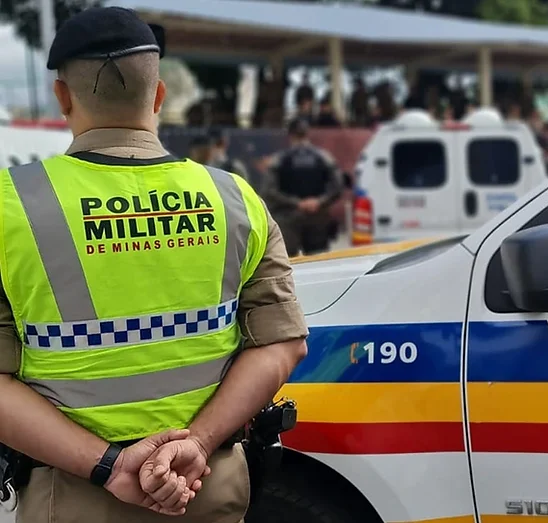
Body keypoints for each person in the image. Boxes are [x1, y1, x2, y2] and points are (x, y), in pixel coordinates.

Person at [0, 7, 309, 522]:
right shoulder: (235, 198)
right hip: (206, 481)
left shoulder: (10, 205)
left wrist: (111, 467)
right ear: (159, 94)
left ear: (62, 97)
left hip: (74, 494)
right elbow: (282, 343)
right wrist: (199, 442)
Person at [264, 117, 343, 256]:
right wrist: (318, 202)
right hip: (317, 217)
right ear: (307, 133)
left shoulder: (279, 160)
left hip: (288, 219)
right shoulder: (323, 157)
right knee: (318, 261)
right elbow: (337, 186)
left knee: (289, 264)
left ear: (290, 135)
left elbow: (269, 191)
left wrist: (297, 203)